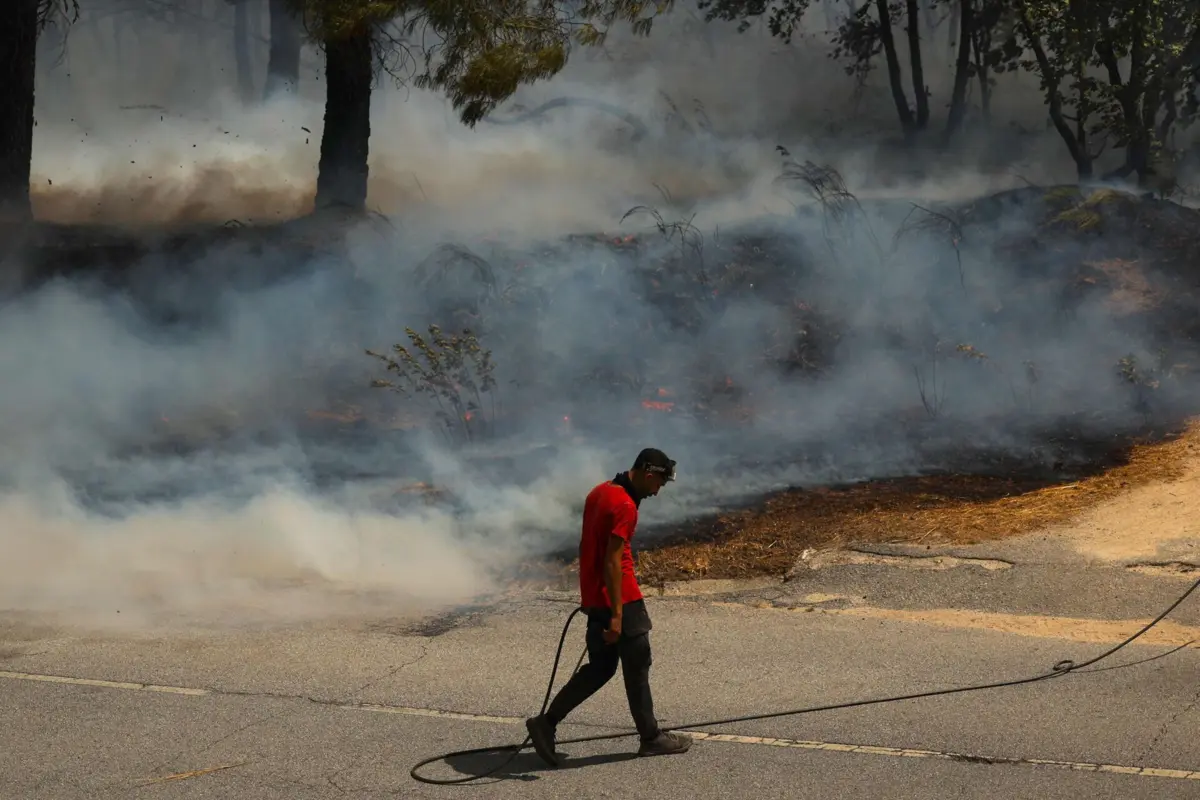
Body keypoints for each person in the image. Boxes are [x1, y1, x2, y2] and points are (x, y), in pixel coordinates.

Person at [525, 448, 693, 766]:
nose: (658, 491)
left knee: (600, 669)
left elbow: (589, 546)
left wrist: (593, 600)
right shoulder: (626, 506)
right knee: (637, 664)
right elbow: (613, 562)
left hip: (595, 596)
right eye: (659, 483)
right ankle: (651, 738)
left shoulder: (600, 491)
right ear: (647, 473)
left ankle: (545, 724)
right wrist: (617, 615)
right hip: (621, 599)